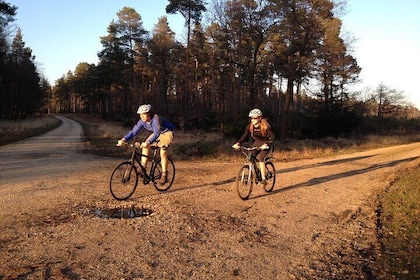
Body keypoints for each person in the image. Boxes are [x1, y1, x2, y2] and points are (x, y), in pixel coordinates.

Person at [118, 104, 175, 185]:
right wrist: (124, 139)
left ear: (149, 114)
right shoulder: (141, 122)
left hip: (167, 132)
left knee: (163, 151)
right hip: (157, 133)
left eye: (143, 114)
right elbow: (133, 132)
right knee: (144, 146)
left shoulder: (155, 118)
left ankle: (164, 174)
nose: (142, 116)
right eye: (140, 115)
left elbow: (157, 132)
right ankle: (143, 168)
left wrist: (148, 142)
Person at [232, 108, 275, 185]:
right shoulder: (250, 126)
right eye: (251, 118)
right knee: (250, 157)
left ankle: (263, 178)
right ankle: (256, 173)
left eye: (255, 118)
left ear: (259, 118)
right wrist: (238, 143)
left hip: (266, 143)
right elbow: (244, 135)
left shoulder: (265, 126)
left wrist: (267, 144)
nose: (253, 120)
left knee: (260, 158)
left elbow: (273, 137)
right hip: (257, 142)